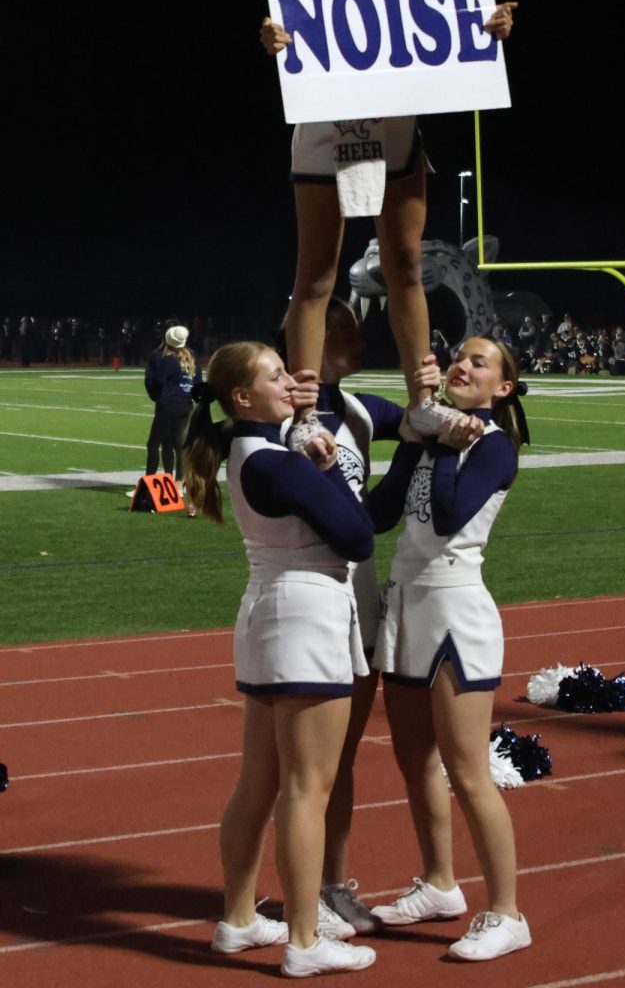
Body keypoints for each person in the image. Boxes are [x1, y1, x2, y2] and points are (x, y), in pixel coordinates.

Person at [259, 0, 517, 440]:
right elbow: (297, 41)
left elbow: (448, 32)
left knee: (404, 262)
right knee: (316, 276)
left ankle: (422, 398)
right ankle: (303, 412)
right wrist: (273, 37)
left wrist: (489, 26)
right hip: (325, 126)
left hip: (394, 129)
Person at [182, 342, 378, 977]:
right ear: (243, 398)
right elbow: (356, 534)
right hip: (306, 617)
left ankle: (238, 919)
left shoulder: (250, 451)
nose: (290, 382)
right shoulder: (275, 461)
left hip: (269, 612)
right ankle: (303, 939)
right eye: (275, 375)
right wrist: (327, 464)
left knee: (259, 782)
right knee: (306, 789)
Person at [365, 336, 532, 962]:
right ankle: (439, 883)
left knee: (467, 771)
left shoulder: (493, 448)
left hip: (456, 614)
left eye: (479, 362)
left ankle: (508, 913)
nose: (462, 365)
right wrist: (417, 438)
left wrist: (441, 447)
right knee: (415, 762)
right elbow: (381, 515)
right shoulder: (439, 436)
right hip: (405, 608)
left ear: (502, 388)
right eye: (459, 356)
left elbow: (445, 516)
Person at [295, 298, 405, 934]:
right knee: (301, 768)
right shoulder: (285, 415)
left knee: (343, 760)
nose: (361, 338)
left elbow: (374, 514)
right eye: (346, 329)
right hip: (309, 602)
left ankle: (331, 886)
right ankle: (285, 897)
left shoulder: (358, 409)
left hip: (357, 600)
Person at [143, 325, 202, 488]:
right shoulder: (192, 358)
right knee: (179, 445)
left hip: (169, 405)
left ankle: (149, 483)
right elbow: (198, 384)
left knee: (153, 444)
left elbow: (158, 381)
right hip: (186, 405)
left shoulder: (168, 359)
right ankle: (178, 483)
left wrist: (158, 397)